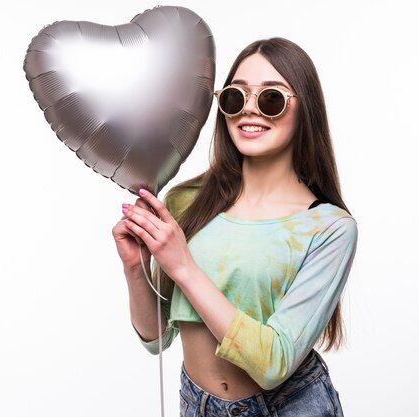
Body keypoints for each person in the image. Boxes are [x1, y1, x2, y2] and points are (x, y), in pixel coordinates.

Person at [112, 37, 358, 417]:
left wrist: (183, 266)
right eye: (234, 98)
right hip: (198, 406)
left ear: (305, 109)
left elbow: (273, 364)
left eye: (271, 99)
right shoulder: (187, 200)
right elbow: (156, 339)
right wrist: (135, 267)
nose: (249, 111)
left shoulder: (328, 228)